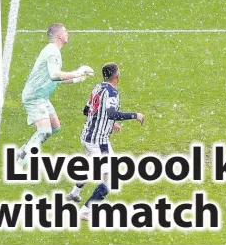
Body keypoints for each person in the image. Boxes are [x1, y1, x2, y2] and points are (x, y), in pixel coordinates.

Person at [66, 63, 145, 221]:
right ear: (116, 76)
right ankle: (86, 211)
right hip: (98, 140)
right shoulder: (112, 92)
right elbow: (111, 113)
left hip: (87, 136)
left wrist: (109, 122)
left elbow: (87, 110)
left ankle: (74, 193)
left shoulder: (97, 87)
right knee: (111, 177)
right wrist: (135, 115)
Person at [17, 23, 93, 167]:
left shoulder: (54, 51)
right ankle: (19, 162)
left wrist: (78, 78)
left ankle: (22, 150)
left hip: (42, 96)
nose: (67, 33)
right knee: (44, 130)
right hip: (34, 97)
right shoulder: (52, 52)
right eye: (65, 31)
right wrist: (77, 71)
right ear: (59, 35)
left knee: (54, 127)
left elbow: (56, 80)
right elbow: (54, 75)